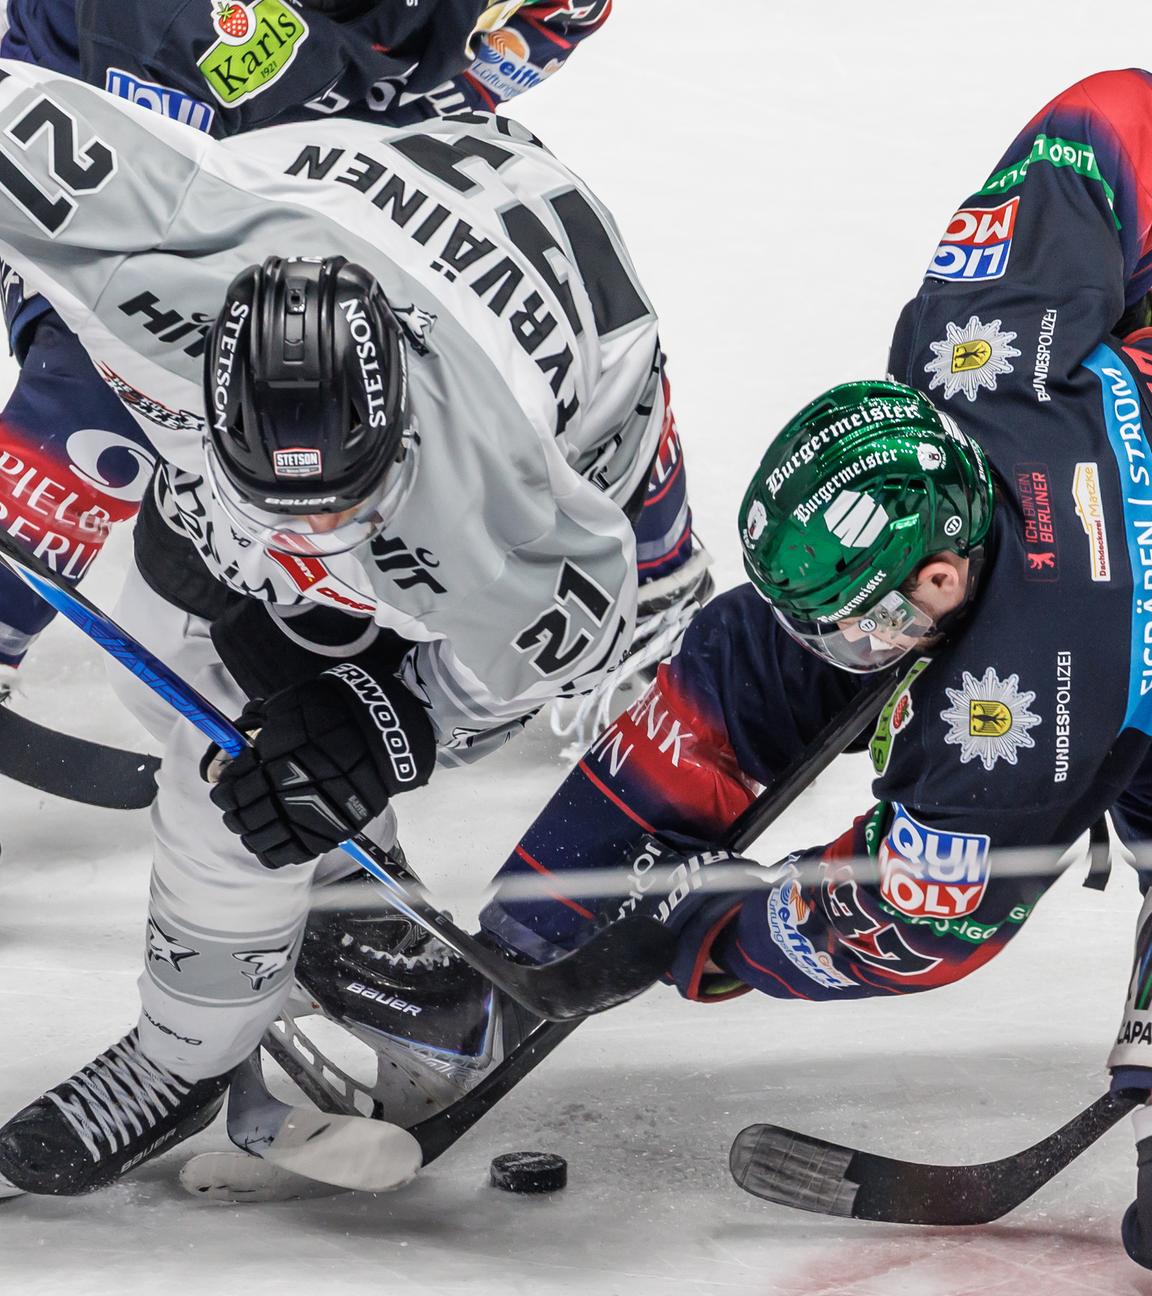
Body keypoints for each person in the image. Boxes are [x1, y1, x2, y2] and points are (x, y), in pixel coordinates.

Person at [295, 69, 1152, 1264]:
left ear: (949, 583)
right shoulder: (979, 348)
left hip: (1108, 659)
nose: (840, 654)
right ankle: (520, 945)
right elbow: (1114, 112)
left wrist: (712, 931)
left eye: (862, 625)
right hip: (1078, 509)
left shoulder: (1019, 722)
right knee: (747, 666)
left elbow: (925, 920)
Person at [0, 55, 683, 1195]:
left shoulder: (505, 503)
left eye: (341, 502)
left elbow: (598, 625)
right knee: (173, 636)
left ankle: (185, 1057)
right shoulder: (155, 250)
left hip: (587, 395)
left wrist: (384, 727)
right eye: (270, 493)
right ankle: (315, 889)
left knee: (252, 766)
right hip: (372, 204)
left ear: (400, 437)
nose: (306, 541)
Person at [0, 0, 706, 712]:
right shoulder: (169, 26)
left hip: (342, 120)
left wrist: (419, 128)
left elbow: (545, 30)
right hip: (124, 136)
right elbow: (148, 228)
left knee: (555, 304)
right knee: (108, 385)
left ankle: (657, 569)